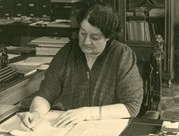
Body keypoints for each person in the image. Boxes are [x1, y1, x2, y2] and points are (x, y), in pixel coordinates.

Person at [21, 1, 143, 129]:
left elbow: (132, 107)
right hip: (71, 129)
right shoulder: (68, 52)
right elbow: (45, 95)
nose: (86, 41)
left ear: (108, 37)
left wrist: (87, 113)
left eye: (94, 37)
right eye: (82, 33)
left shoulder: (122, 55)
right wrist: (36, 114)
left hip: (108, 128)